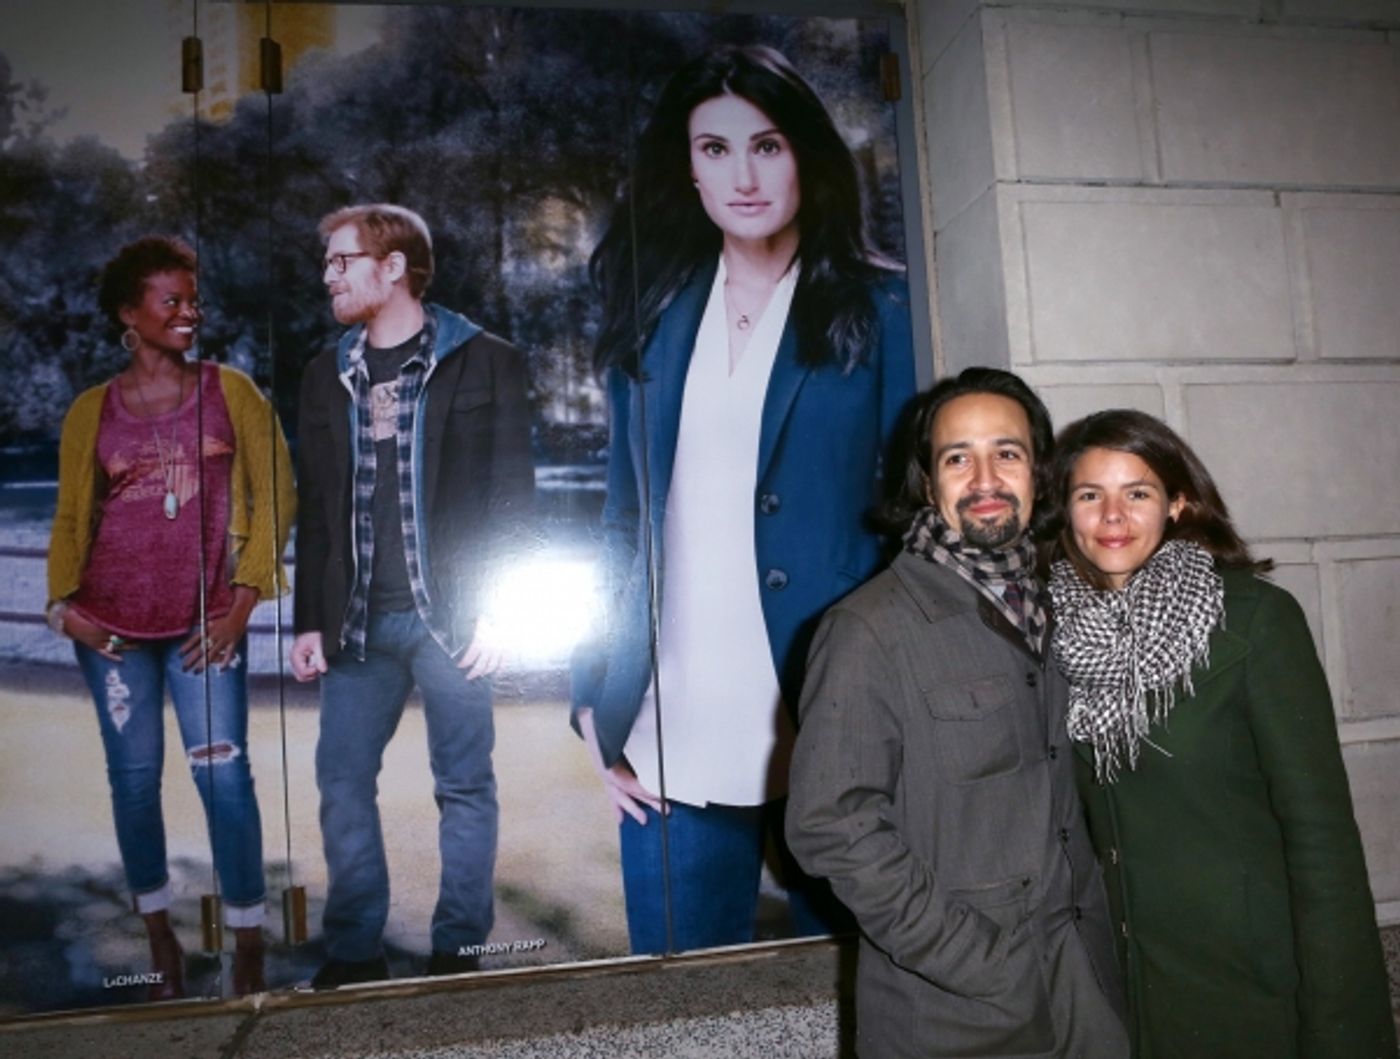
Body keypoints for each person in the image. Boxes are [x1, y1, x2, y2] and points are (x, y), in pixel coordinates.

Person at [571, 44, 916, 954]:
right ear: (687, 169)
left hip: (835, 725)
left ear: (805, 153)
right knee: (682, 1014)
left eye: (766, 145)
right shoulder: (648, 316)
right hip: (670, 729)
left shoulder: (885, 312)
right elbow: (622, 524)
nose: (745, 175)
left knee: (860, 1004)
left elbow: (912, 525)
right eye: (715, 150)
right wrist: (588, 690)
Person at [786, 369, 1129, 1059]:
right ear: (927, 480)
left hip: (1089, 993)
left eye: (1006, 452)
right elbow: (832, 826)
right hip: (953, 1015)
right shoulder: (869, 628)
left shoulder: (1066, 609)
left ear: (1039, 472)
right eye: (956, 457)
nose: (984, 477)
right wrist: (980, 961)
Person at [1045, 409, 1396, 1059]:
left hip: (1250, 991)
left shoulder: (1253, 621)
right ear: (1065, 512)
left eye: (1138, 492)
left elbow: (1323, 840)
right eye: (1090, 495)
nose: (1112, 516)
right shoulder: (1058, 640)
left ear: (1178, 503)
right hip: (1125, 994)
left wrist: (1341, 1029)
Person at [289, 204, 533, 988]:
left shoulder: (487, 359)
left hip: (452, 619)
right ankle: (354, 948)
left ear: (393, 267)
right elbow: (318, 505)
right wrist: (308, 621)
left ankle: (460, 945)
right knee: (340, 780)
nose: (329, 275)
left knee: (464, 782)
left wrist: (501, 609)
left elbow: (510, 499)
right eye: (327, 263)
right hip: (357, 625)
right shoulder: (323, 372)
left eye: (341, 261)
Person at [46, 235, 295, 999]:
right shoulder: (92, 411)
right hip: (112, 633)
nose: (190, 313)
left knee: (224, 776)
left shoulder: (233, 392)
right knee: (133, 782)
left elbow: (276, 491)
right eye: (171, 301)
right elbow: (68, 521)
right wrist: (64, 612)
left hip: (205, 627)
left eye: (194, 299)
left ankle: (247, 940)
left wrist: (241, 604)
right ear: (130, 313)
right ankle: (161, 935)